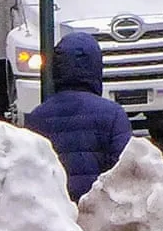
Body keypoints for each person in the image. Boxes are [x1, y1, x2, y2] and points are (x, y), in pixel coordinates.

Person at [25, 32, 133, 201]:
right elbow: (126, 171)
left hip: (57, 211)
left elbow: (29, 176)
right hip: (98, 212)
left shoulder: (36, 118)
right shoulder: (113, 114)